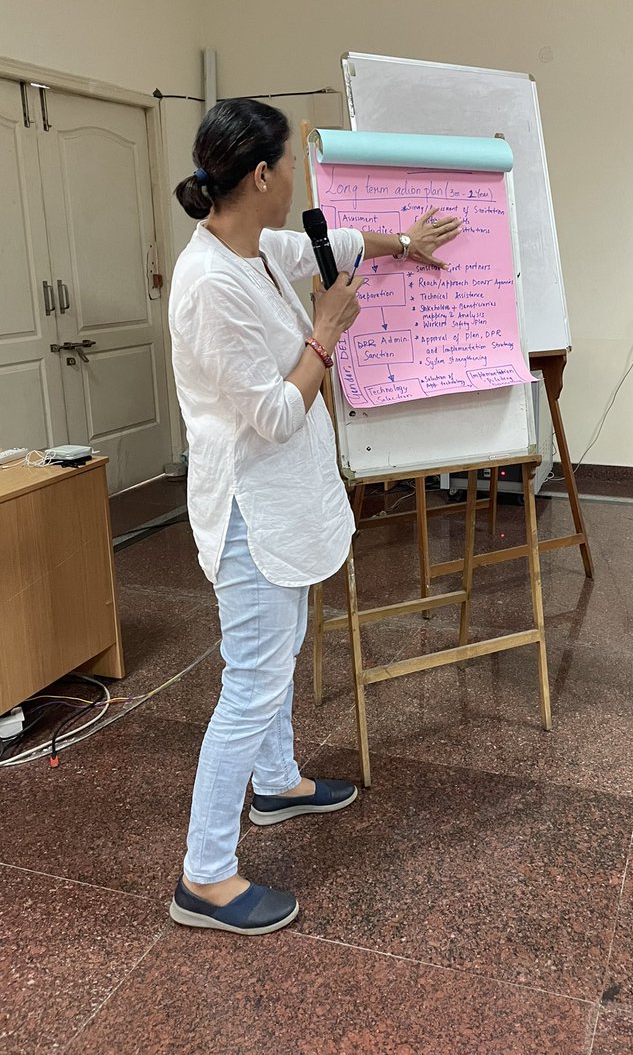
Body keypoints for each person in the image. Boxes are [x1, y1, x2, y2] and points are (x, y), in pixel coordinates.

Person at [167, 98, 460, 934]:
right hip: (250, 509)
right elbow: (269, 414)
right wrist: (325, 334)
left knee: (280, 647)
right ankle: (204, 877)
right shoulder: (209, 285)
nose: (298, 176)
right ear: (262, 174)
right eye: (291, 163)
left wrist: (403, 242)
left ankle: (277, 783)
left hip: (284, 499)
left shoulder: (257, 246)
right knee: (251, 682)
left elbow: (326, 246)